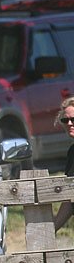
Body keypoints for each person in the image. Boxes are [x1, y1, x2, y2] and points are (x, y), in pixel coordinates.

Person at [54, 97, 74, 231]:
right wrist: (51, 230)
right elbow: (70, 199)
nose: (70, 123)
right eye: (65, 120)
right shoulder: (72, 152)